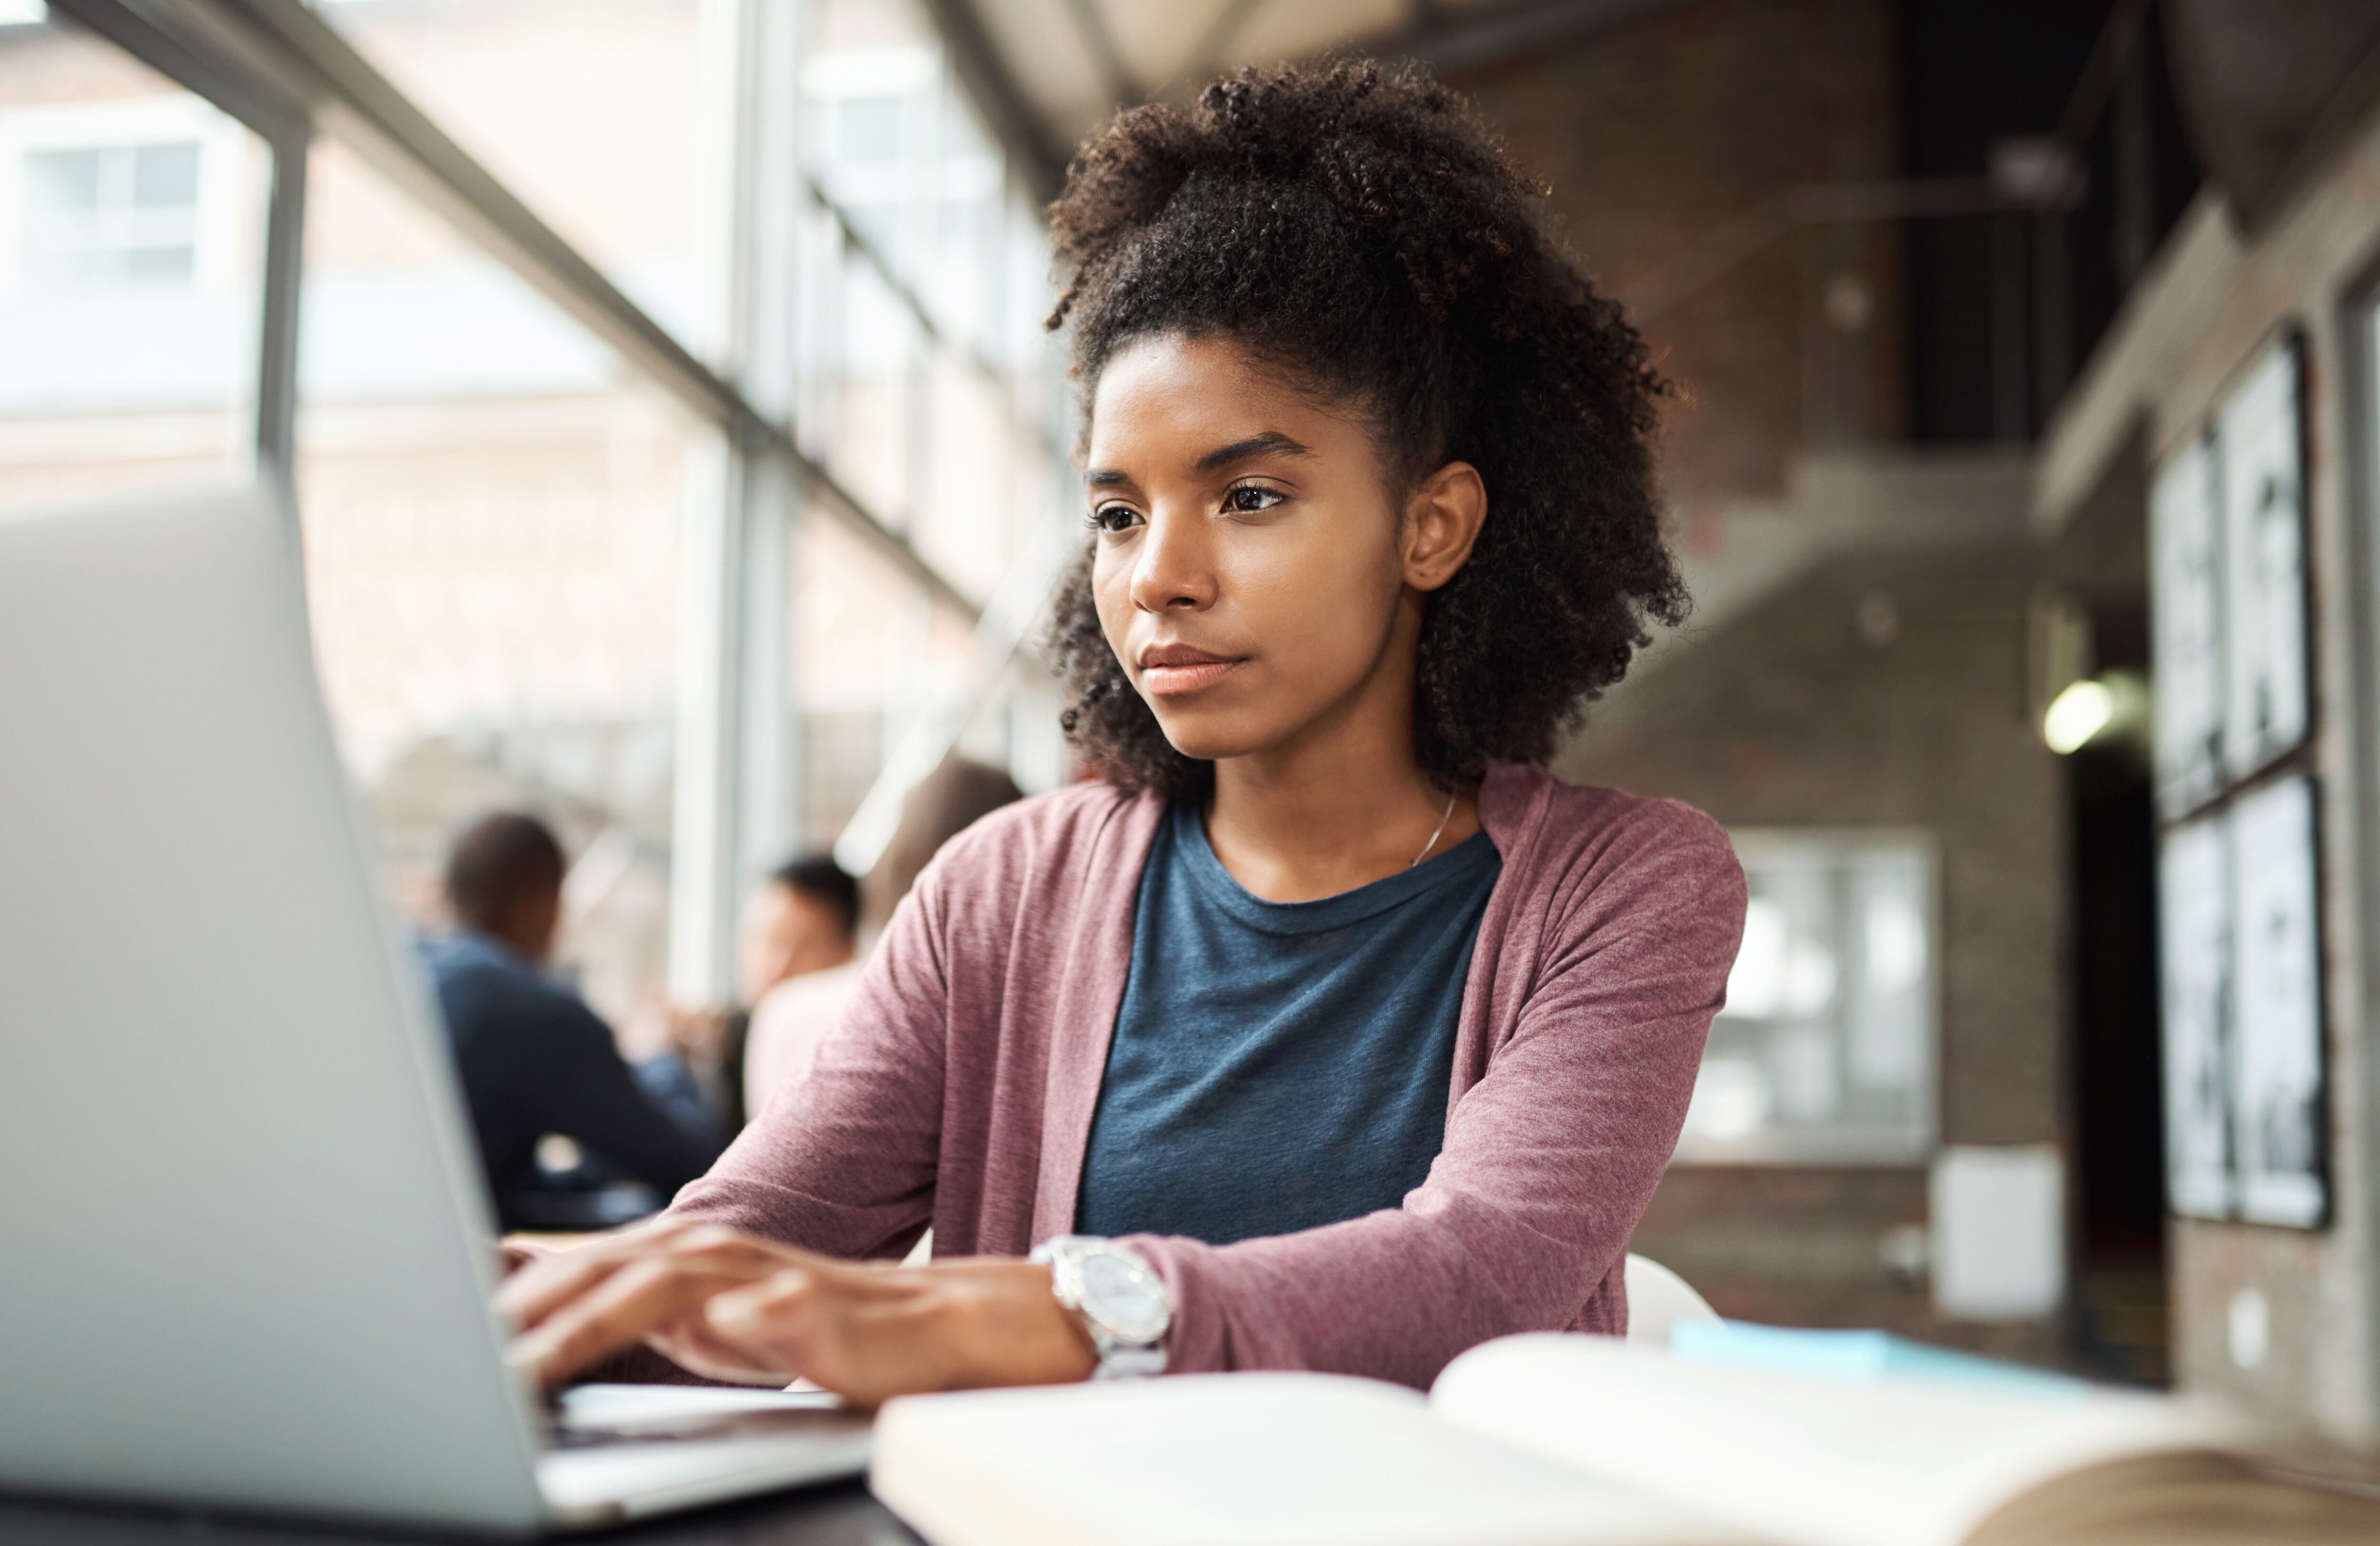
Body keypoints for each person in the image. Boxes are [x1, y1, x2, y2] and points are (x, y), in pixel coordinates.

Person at [501, 61, 1746, 1404]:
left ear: (1430, 525)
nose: (1159, 573)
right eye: (1116, 512)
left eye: (1251, 495)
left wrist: (1027, 1312)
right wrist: (494, 1303)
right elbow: (729, 1252)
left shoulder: (1628, 889)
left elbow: (1477, 1271)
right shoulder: (1004, 889)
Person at [423, 812, 721, 1229]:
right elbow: (698, 1172)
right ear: (542, 906)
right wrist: (673, 1064)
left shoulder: (406, 966)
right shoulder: (533, 1011)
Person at [741, 758, 1022, 1116]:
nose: (775, 964)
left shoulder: (792, 1015)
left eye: (805, 945)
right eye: (762, 939)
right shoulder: (1020, 1028)